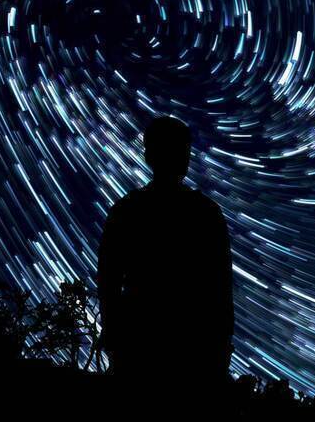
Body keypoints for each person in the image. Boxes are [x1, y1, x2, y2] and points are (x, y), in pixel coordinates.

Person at [97, 115, 233, 389]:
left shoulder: (127, 210)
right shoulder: (205, 213)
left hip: (144, 341)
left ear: (149, 155)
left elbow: (108, 279)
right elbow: (219, 286)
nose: (183, 156)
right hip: (187, 346)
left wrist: (113, 330)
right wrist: (220, 344)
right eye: (181, 149)